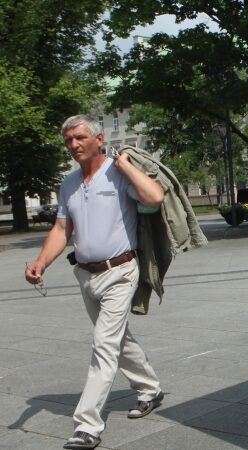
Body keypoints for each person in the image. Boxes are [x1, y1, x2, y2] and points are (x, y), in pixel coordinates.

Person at [24, 115, 164, 450]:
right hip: (86, 274)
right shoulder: (69, 183)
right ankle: (150, 389)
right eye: (68, 140)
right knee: (118, 339)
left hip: (120, 271)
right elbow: (62, 229)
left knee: (104, 344)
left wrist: (125, 164)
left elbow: (154, 198)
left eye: (80, 137)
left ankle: (87, 426)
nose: (73, 145)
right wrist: (41, 262)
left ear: (98, 139)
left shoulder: (118, 173)